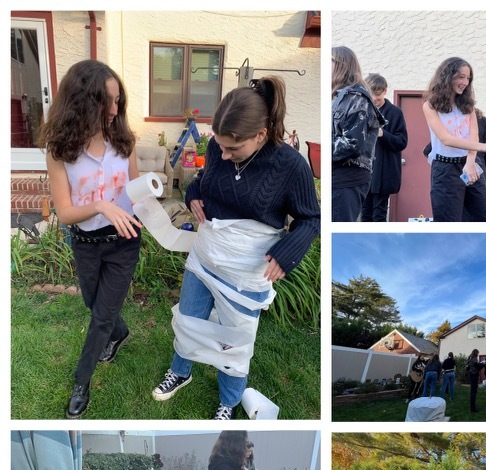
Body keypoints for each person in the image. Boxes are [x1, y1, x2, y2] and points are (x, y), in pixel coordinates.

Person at [150, 76, 320, 420]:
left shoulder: (291, 166)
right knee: (189, 320)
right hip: (205, 257)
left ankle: (228, 402)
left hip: (246, 273)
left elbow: (310, 219)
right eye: (221, 146)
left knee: (234, 342)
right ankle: (181, 372)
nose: (223, 155)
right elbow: (203, 182)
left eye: (232, 149)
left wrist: (288, 254)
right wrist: (194, 195)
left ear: (260, 135)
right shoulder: (216, 148)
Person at [43, 60, 143, 419]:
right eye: (108, 102)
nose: (116, 110)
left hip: (124, 238)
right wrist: (100, 204)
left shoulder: (124, 142)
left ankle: (81, 382)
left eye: (119, 101)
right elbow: (66, 212)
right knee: (94, 302)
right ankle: (121, 332)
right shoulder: (60, 150)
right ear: (84, 101)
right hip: (86, 243)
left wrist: (152, 207)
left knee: (100, 317)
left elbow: (135, 190)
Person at [421, 57, 486, 223]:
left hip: (470, 165)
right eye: (461, 77)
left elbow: (473, 134)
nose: (465, 82)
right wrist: (483, 147)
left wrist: (470, 161)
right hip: (445, 169)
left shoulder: (468, 106)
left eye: (468, 78)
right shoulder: (430, 105)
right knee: (449, 223)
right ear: (447, 76)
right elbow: (446, 139)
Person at [331, 46, 382, 223]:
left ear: (340, 65)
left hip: (347, 178)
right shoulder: (339, 98)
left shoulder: (357, 98)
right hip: (339, 177)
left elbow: (353, 144)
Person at [361, 73, 408, 223]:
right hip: (363, 172)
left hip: (384, 173)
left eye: (378, 94)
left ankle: (377, 244)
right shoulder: (362, 110)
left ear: (385, 91)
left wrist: (383, 134)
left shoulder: (395, 112)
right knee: (365, 215)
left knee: (379, 216)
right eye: (371, 93)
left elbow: (402, 142)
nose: (374, 98)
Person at [466, 347, 484, 413]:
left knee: (473, 391)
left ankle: (473, 406)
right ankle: (473, 408)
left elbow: (468, 365)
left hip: (471, 374)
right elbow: (477, 365)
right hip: (474, 375)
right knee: (473, 391)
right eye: (478, 353)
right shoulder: (474, 358)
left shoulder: (470, 358)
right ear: (476, 353)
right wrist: (483, 364)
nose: (478, 355)